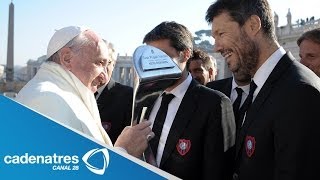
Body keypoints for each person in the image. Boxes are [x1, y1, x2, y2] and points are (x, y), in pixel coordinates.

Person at [206, 0, 320, 179]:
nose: (216, 47)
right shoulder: (262, 85)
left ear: (253, 25)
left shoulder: (299, 92)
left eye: (221, 34)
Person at [15, 26, 153, 158]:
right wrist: (124, 152)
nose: (104, 76)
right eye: (99, 63)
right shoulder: (46, 99)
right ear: (67, 58)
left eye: (108, 65)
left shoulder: (63, 93)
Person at [142, 21, 235, 180]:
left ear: (185, 54)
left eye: (163, 56)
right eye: (151, 56)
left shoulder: (214, 104)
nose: (156, 64)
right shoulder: (144, 99)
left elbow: (218, 172)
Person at [95, 41, 133, 144]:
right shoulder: (72, 94)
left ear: (114, 64)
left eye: (108, 62)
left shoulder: (129, 97)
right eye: (98, 62)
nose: (103, 68)